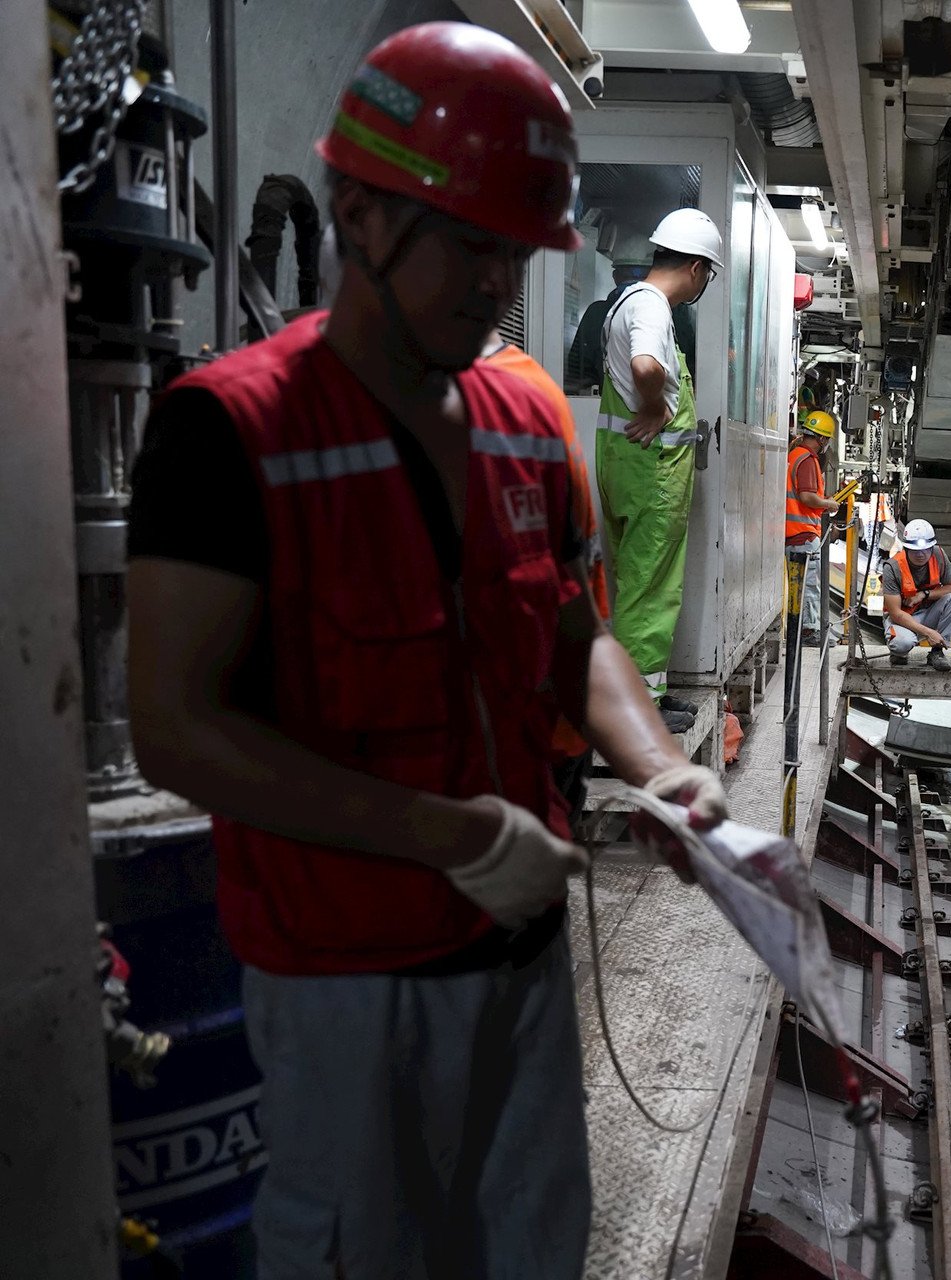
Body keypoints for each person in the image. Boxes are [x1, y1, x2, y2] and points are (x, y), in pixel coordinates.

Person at [123, 25, 726, 1278]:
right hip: (348, 983)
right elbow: (177, 728)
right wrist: (444, 832)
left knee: (530, 1248)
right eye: (468, 243)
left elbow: (577, 638)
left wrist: (660, 764)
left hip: (519, 965)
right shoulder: (230, 433)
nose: (494, 282)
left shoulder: (521, 421)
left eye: (512, 252)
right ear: (358, 210)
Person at [597, 206, 724, 733]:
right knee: (649, 588)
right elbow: (646, 365)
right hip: (652, 474)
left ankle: (648, 694)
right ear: (696, 268)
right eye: (707, 276)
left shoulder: (622, 302)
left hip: (627, 466)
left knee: (637, 583)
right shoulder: (651, 307)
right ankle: (636, 708)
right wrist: (653, 408)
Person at [484, 328, 610, 828]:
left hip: (550, 740)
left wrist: (655, 764)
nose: (497, 280)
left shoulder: (530, 399)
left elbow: (578, 615)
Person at [880, 518, 951, 671]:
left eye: (926, 549)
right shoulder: (892, 568)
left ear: (932, 547)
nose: (921, 554)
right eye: (915, 550)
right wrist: (928, 632)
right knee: (901, 644)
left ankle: (937, 652)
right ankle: (899, 653)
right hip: (903, 619)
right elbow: (895, 613)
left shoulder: (938, 556)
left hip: (928, 613)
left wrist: (924, 594)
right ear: (906, 548)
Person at [786, 408, 839, 646]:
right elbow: (807, 497)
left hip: (791, 534)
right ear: (822, 438)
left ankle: (807, 628)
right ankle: (809, 631)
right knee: (809, 585)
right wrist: (828, 503)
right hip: (803, 534)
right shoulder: (807, 460)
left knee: (799, 585)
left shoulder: (793, 454)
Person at [564, 259, 647, 393]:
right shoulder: (670, 311)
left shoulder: (597, 312)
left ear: (615, 277)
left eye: (639, 275)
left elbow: (579, 373)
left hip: (611, 404)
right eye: (629, 276)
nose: (632, 284)